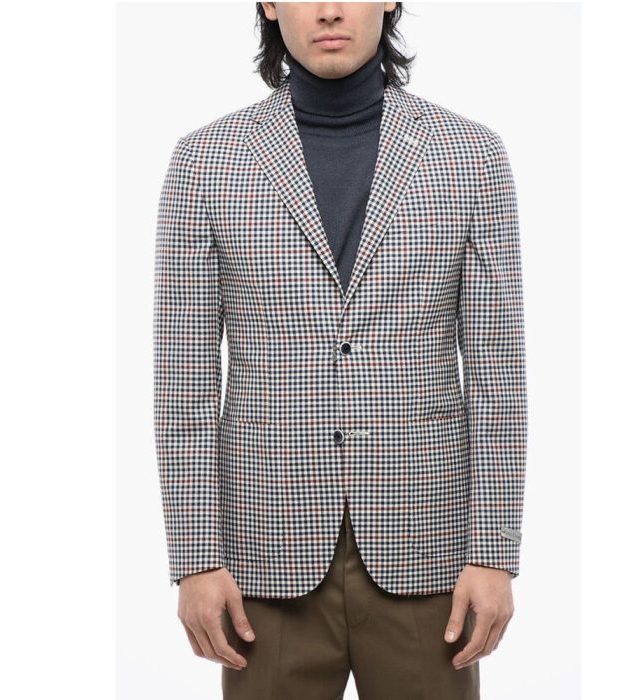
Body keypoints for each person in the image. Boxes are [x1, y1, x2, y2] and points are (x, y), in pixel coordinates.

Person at [153, 3, 528, 698]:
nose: (330, 10)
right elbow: (184, 383)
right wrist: (196, 557)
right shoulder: (205, 161)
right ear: (269, 4)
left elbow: (498, 376)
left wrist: (495, 553)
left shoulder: (471, 156)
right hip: (264, 562)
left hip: (430, 557)